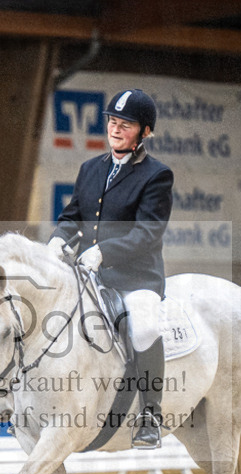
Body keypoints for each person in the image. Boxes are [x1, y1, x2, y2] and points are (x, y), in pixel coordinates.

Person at [48, 88, 173, 449]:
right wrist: (58, 240)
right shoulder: (91, 169)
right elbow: (74, 216)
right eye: (113, 122)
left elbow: (148, 233)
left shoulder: (157, 175)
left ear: (145, 132)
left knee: (146, 326)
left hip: (137, 278)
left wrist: (104, 251)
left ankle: (150, 413)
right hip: (93, 275)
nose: (116, 130)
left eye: (126, 125)